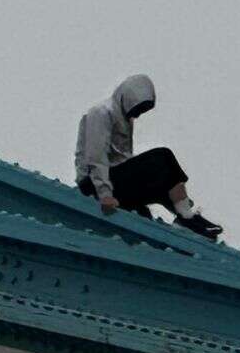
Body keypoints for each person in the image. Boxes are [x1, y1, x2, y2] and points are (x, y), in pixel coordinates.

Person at [74, 74, 223, 240]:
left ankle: (187, 217)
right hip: (93, 184)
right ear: (128, 97)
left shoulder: (125, 120)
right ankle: (185, 216)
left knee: (162, 178)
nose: (138, 115)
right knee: (162, 156)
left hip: (115, 181)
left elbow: (124, 160)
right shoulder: (101, 113)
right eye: (138, 109)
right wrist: (105, 195)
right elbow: (96, 158)